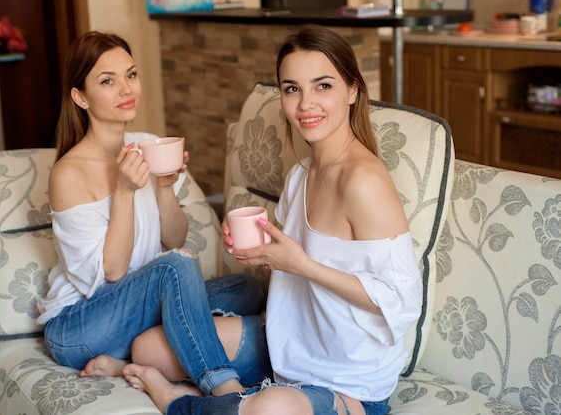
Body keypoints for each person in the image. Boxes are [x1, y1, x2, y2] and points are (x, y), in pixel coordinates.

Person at [121, 24, 423, 415]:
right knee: (148, 347)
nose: (305, 104)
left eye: (323, 86)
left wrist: (302, 265)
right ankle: (236, 398)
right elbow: (297, 263)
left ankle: (178, 401)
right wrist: (265, 251)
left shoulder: (363, 180)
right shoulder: (301, 175)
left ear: (353, 90)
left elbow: (403, 300)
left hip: (349, 382)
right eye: (292, 88)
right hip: (288, 351)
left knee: (270, 409)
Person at [35, 31, 268, 397]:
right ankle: (223, 388)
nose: (126, 89)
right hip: (80, 325)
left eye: (130, 75)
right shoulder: (69, 172)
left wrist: (163, 187)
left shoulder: (145, 143)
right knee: (175, 266)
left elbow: (173, 237)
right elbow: (111, 273)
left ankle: (130, 360)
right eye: (107, 81)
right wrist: (124, 191)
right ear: (80, 97)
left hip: (135, 312)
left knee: (246, 288)